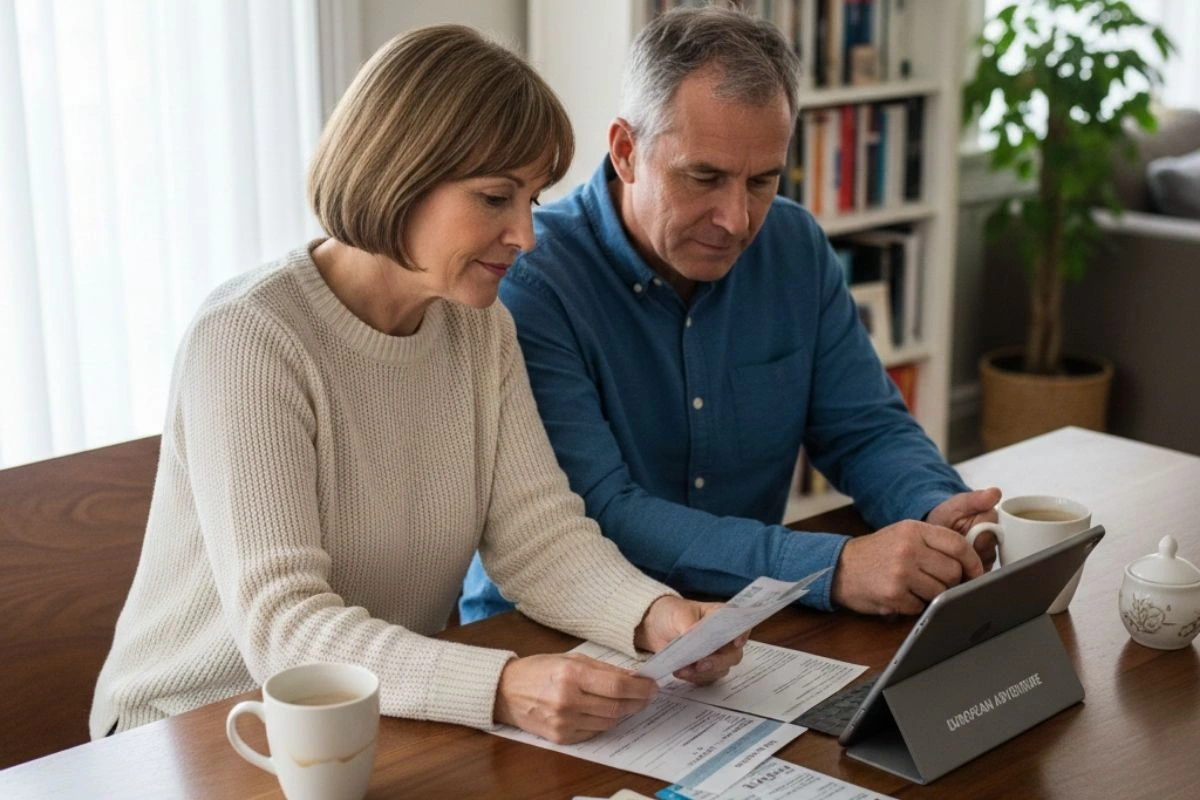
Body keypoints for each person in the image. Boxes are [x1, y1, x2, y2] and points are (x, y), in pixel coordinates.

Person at [90, 24, 745, 747]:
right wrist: (498, 685)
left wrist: (657, 616)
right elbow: (284, 625)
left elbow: (539, 536)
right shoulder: (251, 338)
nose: (526, 235)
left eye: (532, 199)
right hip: (198, 732)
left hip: (366, 718)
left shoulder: (479, 328)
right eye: (495, 198)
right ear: (398, 175)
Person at [461, 6, 1000, 625]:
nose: (737, 220)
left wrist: (935, 505)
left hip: (741, 620)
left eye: (762, 181)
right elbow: (599, 511)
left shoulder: (793, 245)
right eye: (704, 177)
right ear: (625, 150)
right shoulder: (532, 279)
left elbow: (866, 429)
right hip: (549, 633)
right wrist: (836, 567)